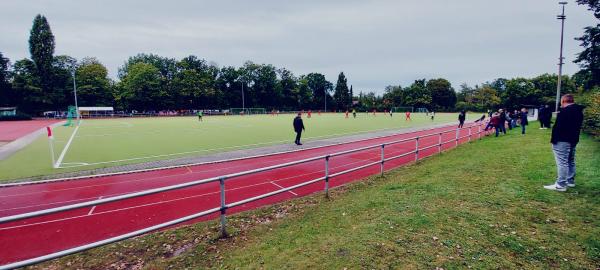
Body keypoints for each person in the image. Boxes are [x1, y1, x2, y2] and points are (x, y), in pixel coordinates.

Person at [544, 94, 584, 191]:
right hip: (573, 139)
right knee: (570, 160)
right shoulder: (579, 111)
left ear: (563, 101)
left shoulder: (565, 111)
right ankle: (570, 181)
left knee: (562, 162)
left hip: (562, 140)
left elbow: (559, 127)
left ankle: (561, 184)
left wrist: (554, 140)